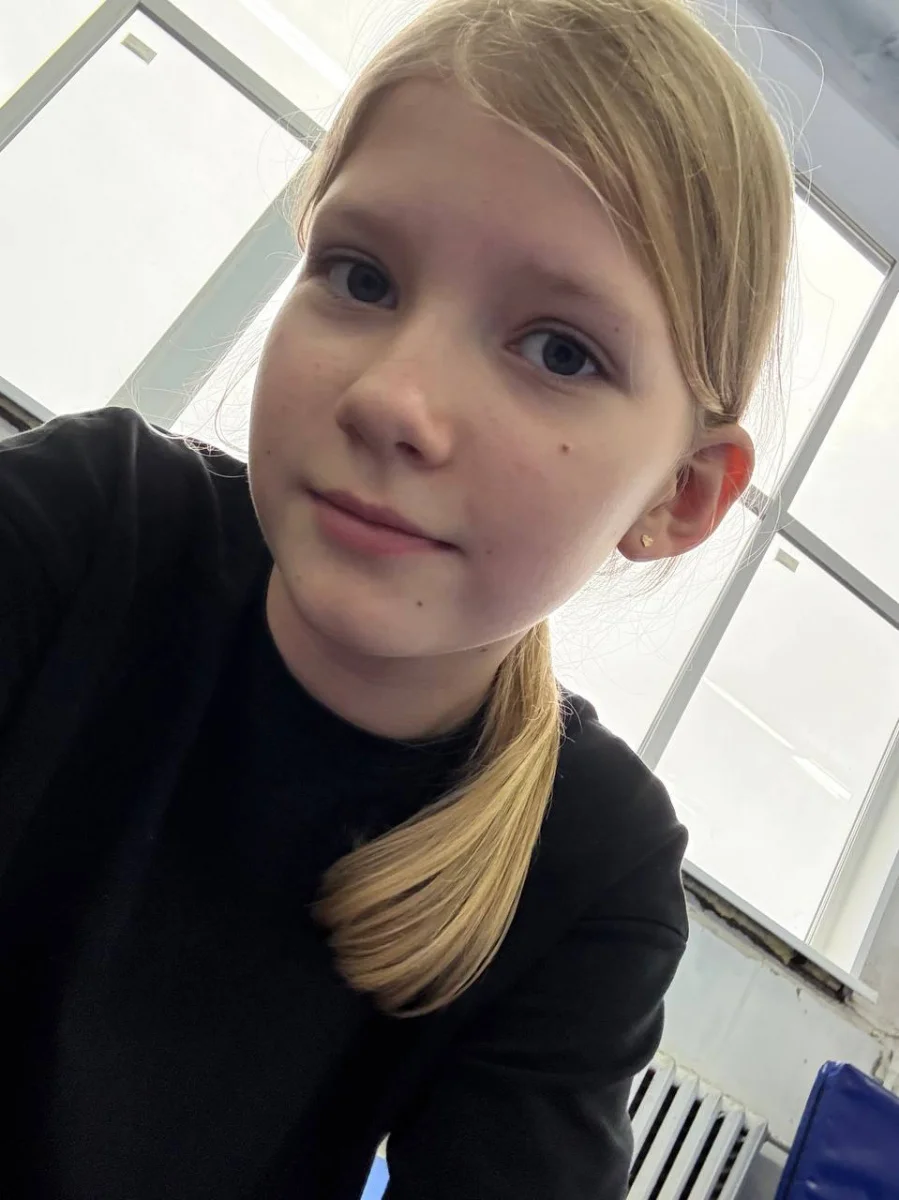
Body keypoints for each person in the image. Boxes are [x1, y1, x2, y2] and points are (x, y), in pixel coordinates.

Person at [0, 0, 794, 1196]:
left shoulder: (588, 859)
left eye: (559, 350)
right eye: (360, 277)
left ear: (677, 493)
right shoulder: (94, 521)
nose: (391, 401)